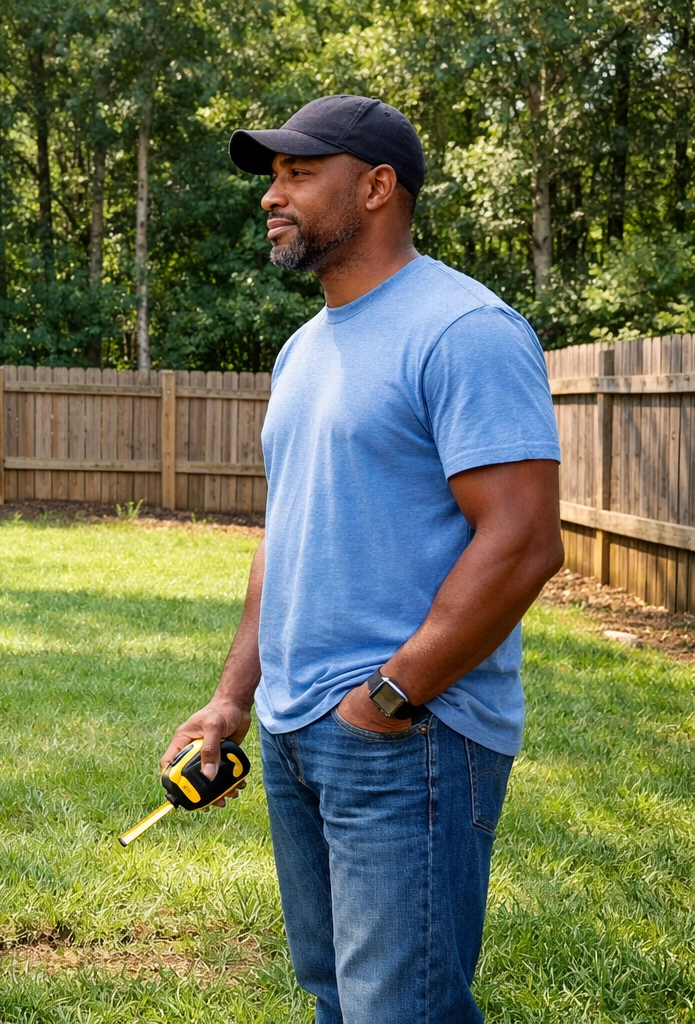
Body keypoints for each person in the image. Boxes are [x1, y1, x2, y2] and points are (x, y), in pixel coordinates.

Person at [161, 95, 564, 1023]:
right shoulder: (303, 351)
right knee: (337, 998)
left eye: (300, 173)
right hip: (297, 729)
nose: (274, 194)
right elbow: (289, 535)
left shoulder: (465, 329)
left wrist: (391, 694)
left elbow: (523, 539)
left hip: (406, 737)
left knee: (400, 1010)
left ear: (378, 187)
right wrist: (232, 698)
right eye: (274, 176)